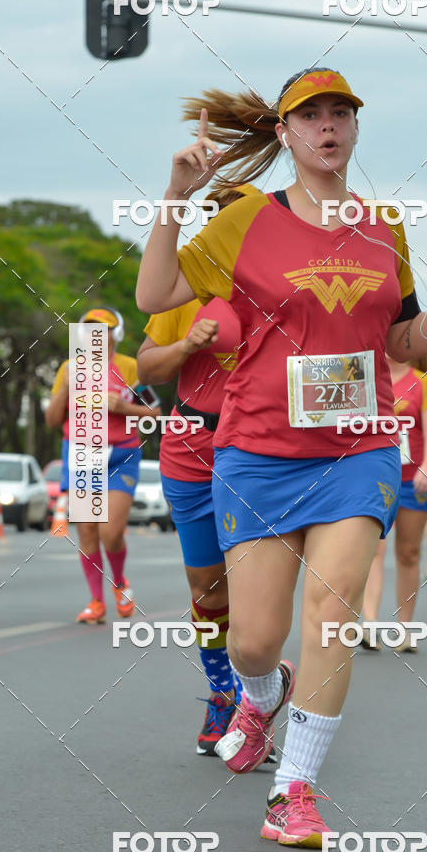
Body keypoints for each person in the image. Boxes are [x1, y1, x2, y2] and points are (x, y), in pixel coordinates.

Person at [136, 66, 427, 847]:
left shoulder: (384, 228)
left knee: (332, 616)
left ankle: (294, 793)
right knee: (254, 640)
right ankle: (261, 693)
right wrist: (173, 195)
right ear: (285, 134)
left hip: (359, 451)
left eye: (341, 113)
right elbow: (154, 294)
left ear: (355, 128)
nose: (328, 126)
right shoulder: (244, 223)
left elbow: (401, 342)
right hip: (260, 449)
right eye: (311, 116)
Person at [137, 233, 277, 759]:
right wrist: (188, 345)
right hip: (192, 443)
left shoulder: (285, 287)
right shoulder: (185, 285)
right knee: (208, 588)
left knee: (257, 588)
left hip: (264, 444)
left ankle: (254, 704)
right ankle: (223, 692)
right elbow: (147, 370)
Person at [46, 307, 156, 624]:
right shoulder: (69, 367)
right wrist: (67, 386)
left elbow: (155, 413)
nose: (96, 335)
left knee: (111, 532)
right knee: (89, 531)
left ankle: (119, 582)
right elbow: (53, 420)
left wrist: (124, 407)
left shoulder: (131, 368)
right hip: (84, 454)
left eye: (103, 329)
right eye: (89, 329)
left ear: (116, 334)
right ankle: (96, 601)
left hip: (122, 453)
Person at [360, 356, 427, 652]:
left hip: (411, 479)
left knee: (409, 553)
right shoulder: (364, 374)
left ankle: (405, 627)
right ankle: (370, 623)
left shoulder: (423, 382)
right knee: (373, 550)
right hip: (373, 477)